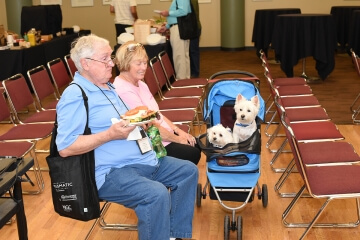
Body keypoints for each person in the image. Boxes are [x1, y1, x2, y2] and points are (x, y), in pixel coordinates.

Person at [56, 34, 198, 240]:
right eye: (105, 58)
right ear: (85, 63)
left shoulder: (107, 87)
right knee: (156, 195)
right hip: (112, 171)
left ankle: (174, 235)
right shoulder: (76, 95)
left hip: (142, 159)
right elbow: (66, 147)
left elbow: (122, 123)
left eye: (110, 57)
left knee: (188, 171)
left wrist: (139, 123)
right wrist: (108, 135)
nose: (111, 63)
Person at [113, 41, 201, 165]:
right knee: (192, 152)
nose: (144, 67)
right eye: (139, 63)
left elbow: (157, 114)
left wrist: (177, 130)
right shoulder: (123, 90)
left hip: (162, 135)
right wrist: (178, 139)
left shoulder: (140, 83)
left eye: (145, 63)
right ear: (125, 64)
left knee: (197, 144)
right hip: (152, 143)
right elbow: (150, 127)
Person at [158, 0, 191, 79]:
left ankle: (181, 80)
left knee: (179, 56)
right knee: (183, 56)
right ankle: (185, 80)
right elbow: (177, 17)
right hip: (179, 28)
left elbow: (183, 11)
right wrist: (167, 27)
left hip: (178, 29)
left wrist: (168, 13)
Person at [190, 0, 201, 78]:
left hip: (193, 28)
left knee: (193, 51)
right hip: (195, 27)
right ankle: (195, 72)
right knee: (194, 51)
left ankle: (195, 73)